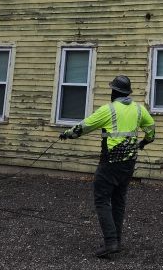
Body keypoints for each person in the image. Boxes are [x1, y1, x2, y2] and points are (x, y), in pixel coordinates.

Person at [60, 74, 156, 258]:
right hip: (129, 163)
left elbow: (84, 126)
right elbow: (151, 128)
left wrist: (66, 134)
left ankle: (111, 242)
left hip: (110, 163)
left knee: (102, 200)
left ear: (114, 92)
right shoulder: (139, 109)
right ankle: (116, 240)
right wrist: (144, 143)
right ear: (127, 92)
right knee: (119, 201)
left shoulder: (108, 110)